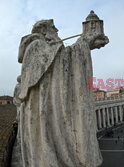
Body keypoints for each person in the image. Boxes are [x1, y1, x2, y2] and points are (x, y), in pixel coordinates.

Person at [12, 11, 109, 167]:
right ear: (44, 30)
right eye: (54, 28)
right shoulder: (36, 46)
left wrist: (84, 44)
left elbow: (59, 59)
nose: (57, 32)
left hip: (48, 110)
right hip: (44, 113)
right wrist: (84, 43)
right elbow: (59, 64)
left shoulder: (45, 48)